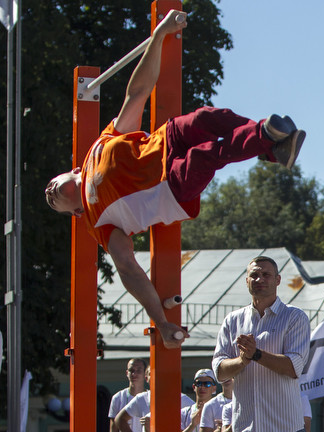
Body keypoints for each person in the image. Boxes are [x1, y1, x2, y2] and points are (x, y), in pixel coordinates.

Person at [44, 9, 305, 349]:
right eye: (53, 202)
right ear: (75, 212)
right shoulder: (97, 223)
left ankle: (272, 145)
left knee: (211, 117)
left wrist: (159, 35)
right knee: (209, 154)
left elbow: (136, 92)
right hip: (170, 188)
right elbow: (130, 272)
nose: (49, 192)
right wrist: (161, 321)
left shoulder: (99, 145)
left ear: (74, 171)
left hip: (166, 138)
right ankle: (270, 141)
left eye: (50, 185)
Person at [212, 256, 310, 432]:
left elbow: (292, 366)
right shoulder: (232, 321)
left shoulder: (294, 317)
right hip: (245, 431)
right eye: (254, 275)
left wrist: (255, 354)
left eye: (266, 275)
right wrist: (243, 361)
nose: (260, 280)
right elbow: (220, 371)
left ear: (277, 280)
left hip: (285, 430)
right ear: (246, 281)